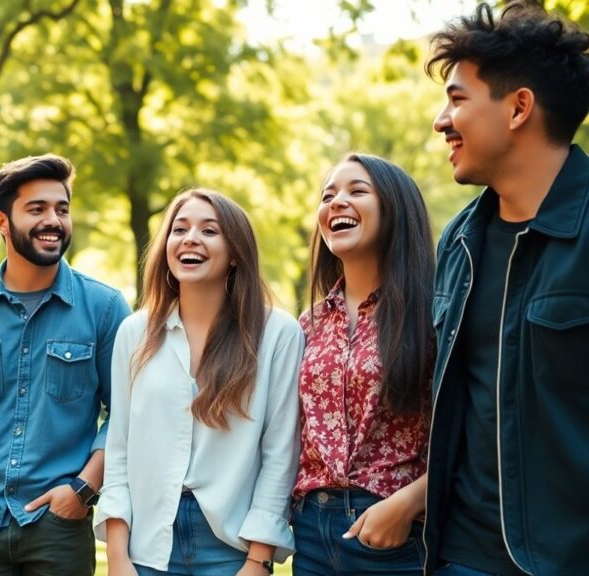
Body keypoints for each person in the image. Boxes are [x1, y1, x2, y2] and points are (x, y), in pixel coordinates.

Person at [424, 2, 589, 574]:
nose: (441, 120)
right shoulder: (459, 243)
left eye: (457, 98)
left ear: (519, 107)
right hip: (459, 557)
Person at [0, 153, 131, 575]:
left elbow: (126, 414)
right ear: (2, 222)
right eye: (36, 209)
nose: (53, 220)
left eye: (62, 209)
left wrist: (83, 489)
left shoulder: (105, 308)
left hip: (59, 525)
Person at [96, 189, 304, 576]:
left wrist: (258, 560)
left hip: (230, 545)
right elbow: (120, 445)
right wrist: (118, 556)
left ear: (236, 252)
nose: (190, 238)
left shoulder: (277, 334)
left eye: (210, 231)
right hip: (147, 544)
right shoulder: (134, 332)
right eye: (179, 229)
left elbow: (281, 453)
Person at [291, 154, 435, 576]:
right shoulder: (308, 324)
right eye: (328, 195)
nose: (336, 202)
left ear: (395, 207)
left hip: (397, 532)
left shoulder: (434, 314)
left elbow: (471, 428)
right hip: (312, 532)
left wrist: (409, 502)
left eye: (357, 191)